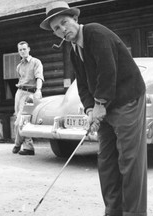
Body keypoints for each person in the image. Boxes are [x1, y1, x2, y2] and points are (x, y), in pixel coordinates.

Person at [40, 2, 147, 216]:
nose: (62, 30)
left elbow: (108, 70)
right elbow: (83, 85)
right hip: (105, 105)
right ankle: (113, 211)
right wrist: (90, 110)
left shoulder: (95, 33)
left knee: (130, 160)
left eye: (64, 23)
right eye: (56, 29)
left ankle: (134, 213)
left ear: (75, 19)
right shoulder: (73, 51)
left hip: (127, 99)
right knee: (107, 160)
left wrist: (99, 105)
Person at [12, 41, 44, 156]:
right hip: (20, 92)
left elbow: (39, 77)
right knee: (18, 119)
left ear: (29, 49)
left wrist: (38, 90)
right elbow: (21, 80)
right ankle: (28, 147)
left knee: (21, 120)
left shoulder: (36, 62)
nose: (22, 51)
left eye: (24, 49)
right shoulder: (19, 66)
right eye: (20, 50)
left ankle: (17, 143)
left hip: (31, 94)